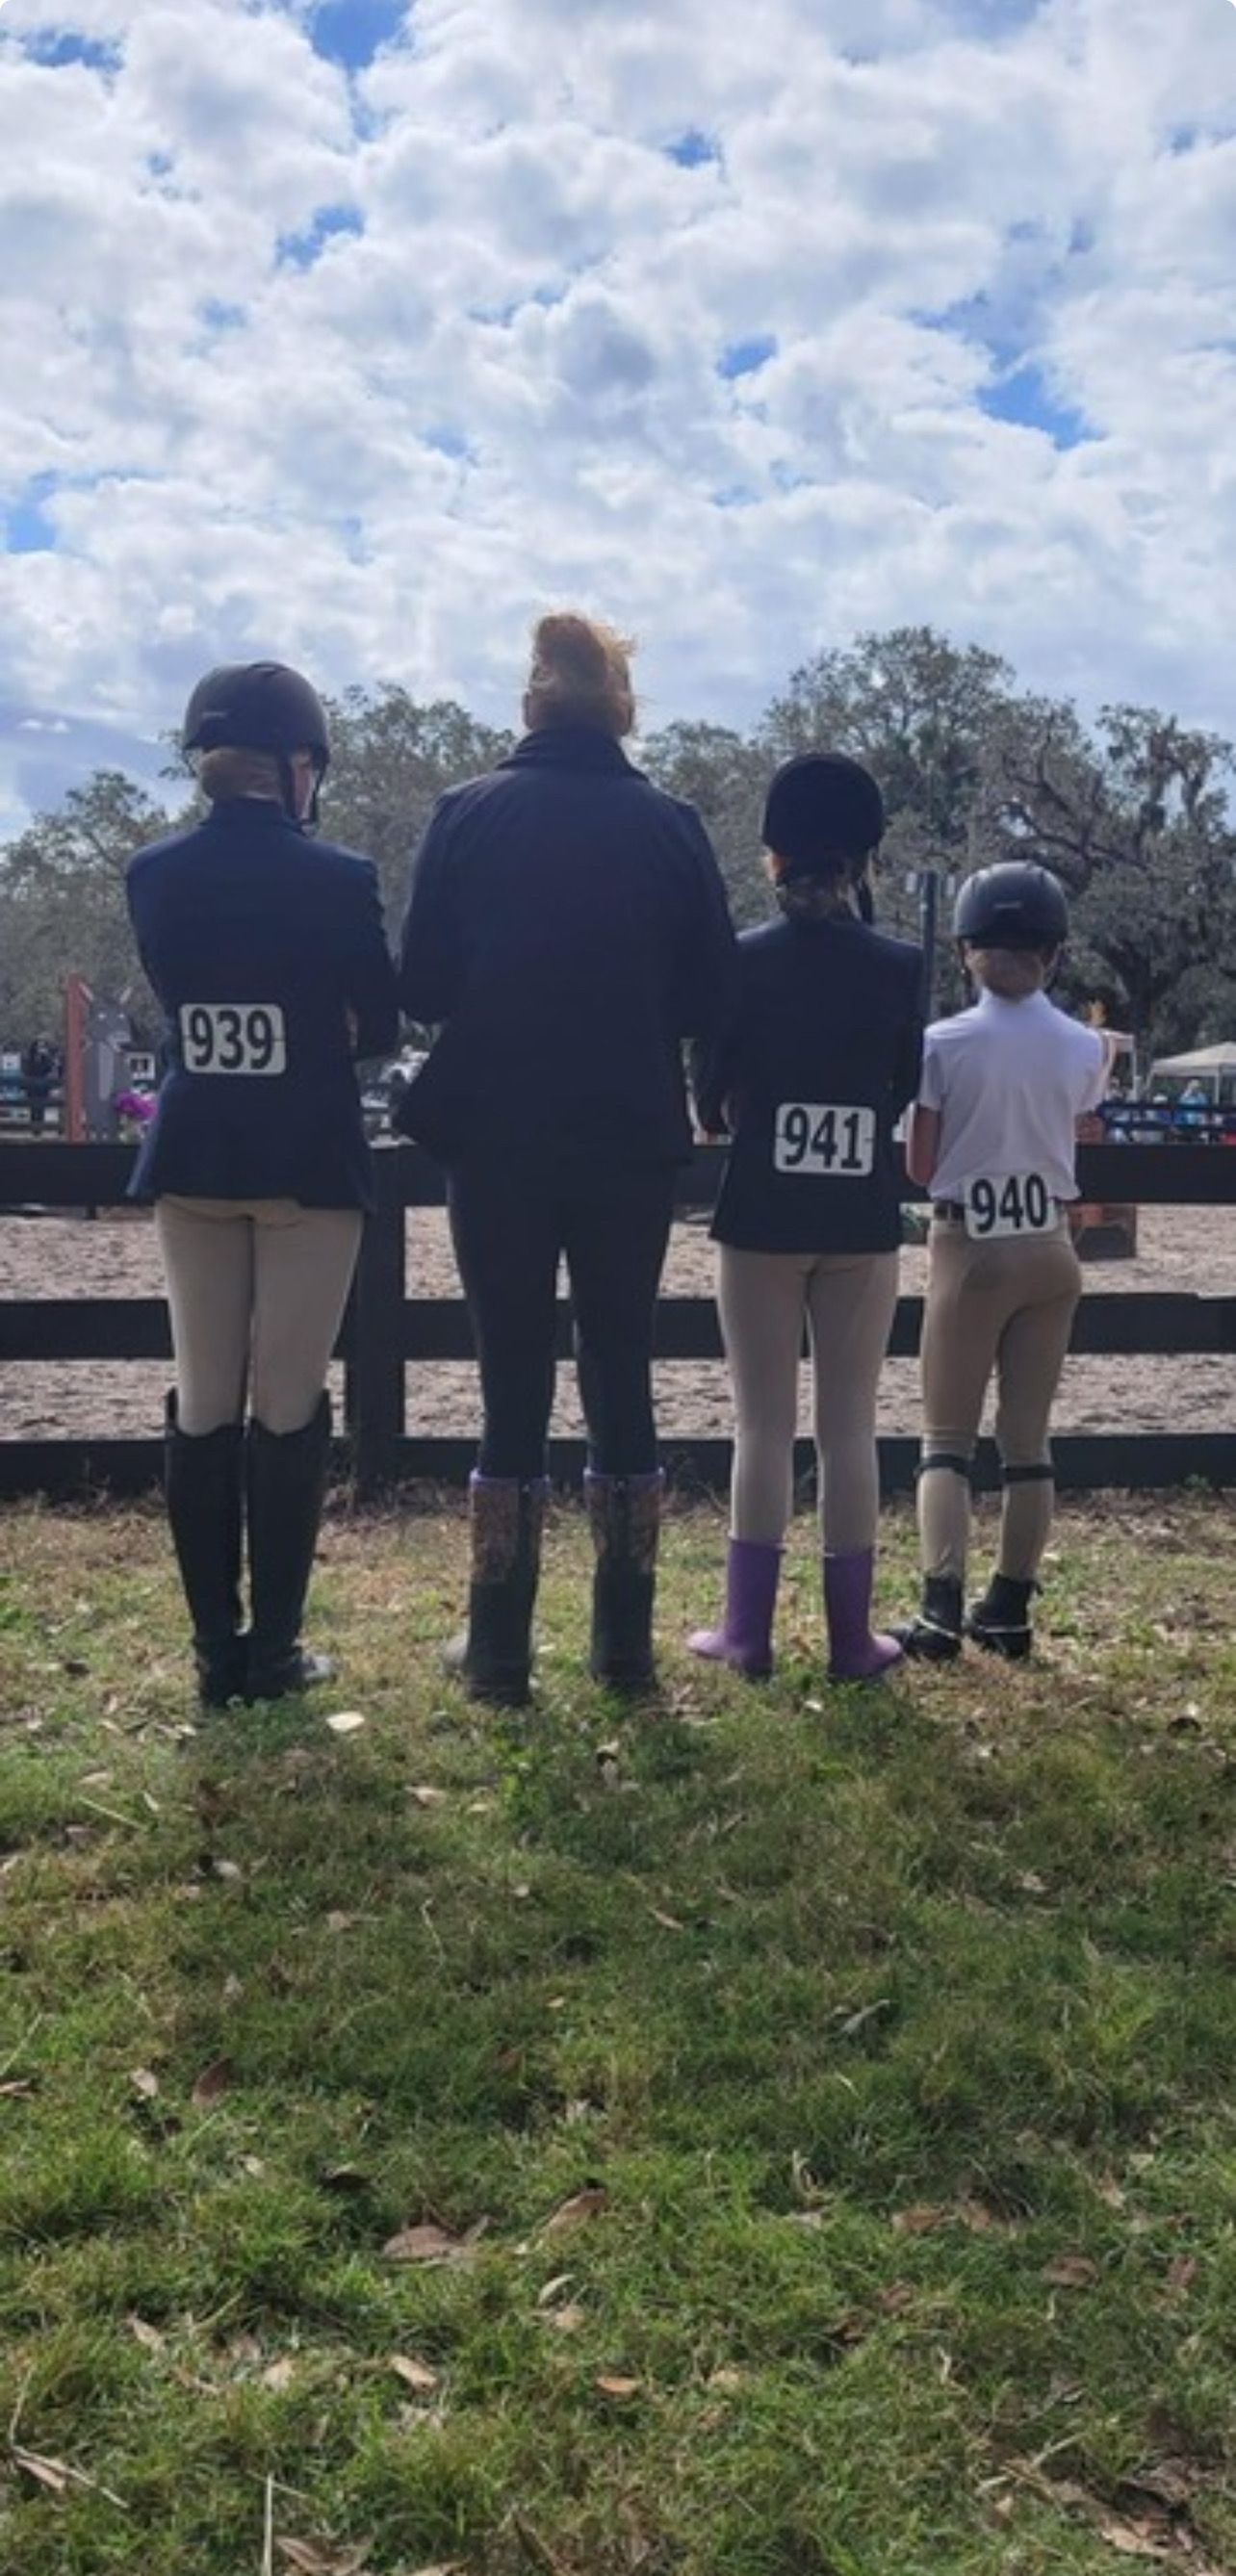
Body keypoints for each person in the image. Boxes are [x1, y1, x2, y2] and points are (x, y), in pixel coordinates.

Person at [396, 610, 738, 1706]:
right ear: (621, 708)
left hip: (495, 1134)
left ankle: (497, 1649)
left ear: (531, 699)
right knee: (621, 1368)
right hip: (630, 1134)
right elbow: (706, 995)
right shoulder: (673, 825)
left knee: (509, 1377)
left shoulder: (467, 814)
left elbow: (424, 989)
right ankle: (623, 1652)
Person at [126, 662, 399, 1708]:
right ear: (297, 768)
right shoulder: (340, 876)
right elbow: (377, 1024)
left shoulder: (152, 872)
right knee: (287, 1402)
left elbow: (178, 1000)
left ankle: (213, 1652)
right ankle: (274, 1646)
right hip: (306, 1162)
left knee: (202, 1399)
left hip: (194, 1157)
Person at [687, 753, 923, 1683]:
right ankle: (850, 1640)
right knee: (850, 1429)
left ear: (774, 858)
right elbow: (901, 1090)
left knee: (760, 1426)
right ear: (862, 859)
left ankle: (746, 1634)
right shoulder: (902, 967)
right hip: (861, 1222)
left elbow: (710, 1102)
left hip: (760, 1220)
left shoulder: (739, 962)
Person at [896, 861, 1121, 1662]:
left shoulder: (942, 1044)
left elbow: (922, 1166)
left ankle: (938, 1610)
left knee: (945, 1439)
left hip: (971, 1246)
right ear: (1053, 954)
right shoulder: (1086, 1047)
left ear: (965, 950)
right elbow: (1082, 1128)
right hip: (1052, 1250)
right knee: (1028, 1442)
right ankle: (1012, 1607)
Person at [21, 1035, 58, 1138]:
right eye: (38, 1045)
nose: (40, 1048)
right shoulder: (29, 1057)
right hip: (32, 1086)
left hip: (42, 1087)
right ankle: (34, 1129)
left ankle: (40, 1128)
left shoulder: (46, 1057)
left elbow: (50, 1068)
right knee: (33, 1109)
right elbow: (26, 1070)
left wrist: (46, 1057)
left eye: (42, 1045)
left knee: (41, 1108)